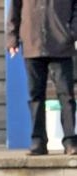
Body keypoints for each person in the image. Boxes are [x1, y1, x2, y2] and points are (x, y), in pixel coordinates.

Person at [6, 0, 77, 156]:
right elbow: (15, 9)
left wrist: (72, 32)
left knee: (66, 94)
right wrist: (12, 38)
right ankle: (38, 141)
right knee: (35, 95)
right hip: (33, 42)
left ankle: (71, 140)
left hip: (61, 45)